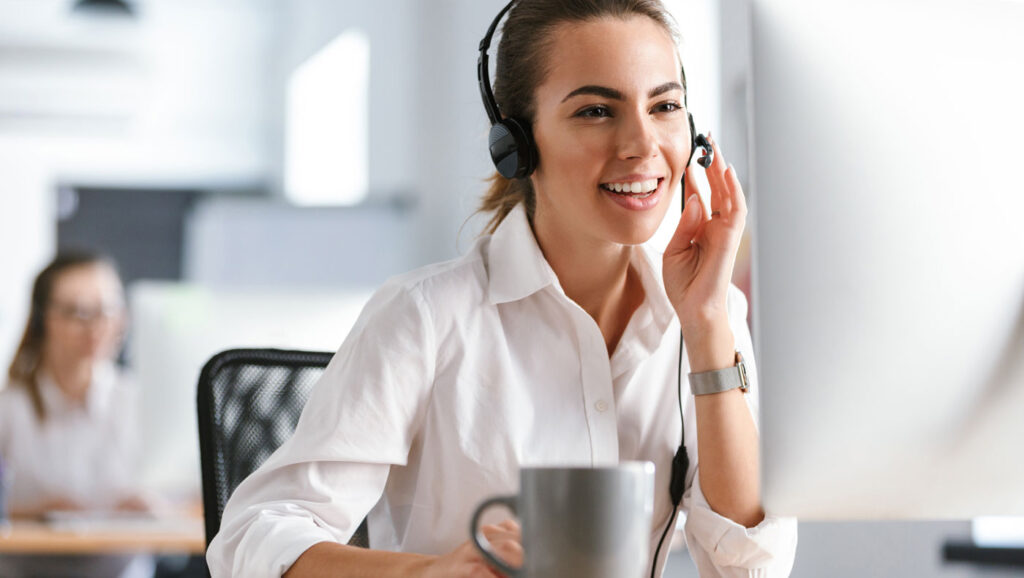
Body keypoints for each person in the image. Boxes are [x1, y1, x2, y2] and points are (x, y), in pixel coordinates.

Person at [208, 0, 798, 576]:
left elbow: (748, 568)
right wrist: (428, 573)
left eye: (665, 105)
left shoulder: (707, 317)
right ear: (517, 146)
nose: (642, 145)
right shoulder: (425, 317)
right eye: (596, 111)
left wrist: (706, 326)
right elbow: (255, 538)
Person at [0, 251, 154, 578]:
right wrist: (32, 514)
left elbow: (190, 503)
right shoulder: (10, 407)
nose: (95, 326)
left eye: (107, 310)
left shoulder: (142, 405)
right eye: (76, 312)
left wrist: (154, 507)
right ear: (45, 320)